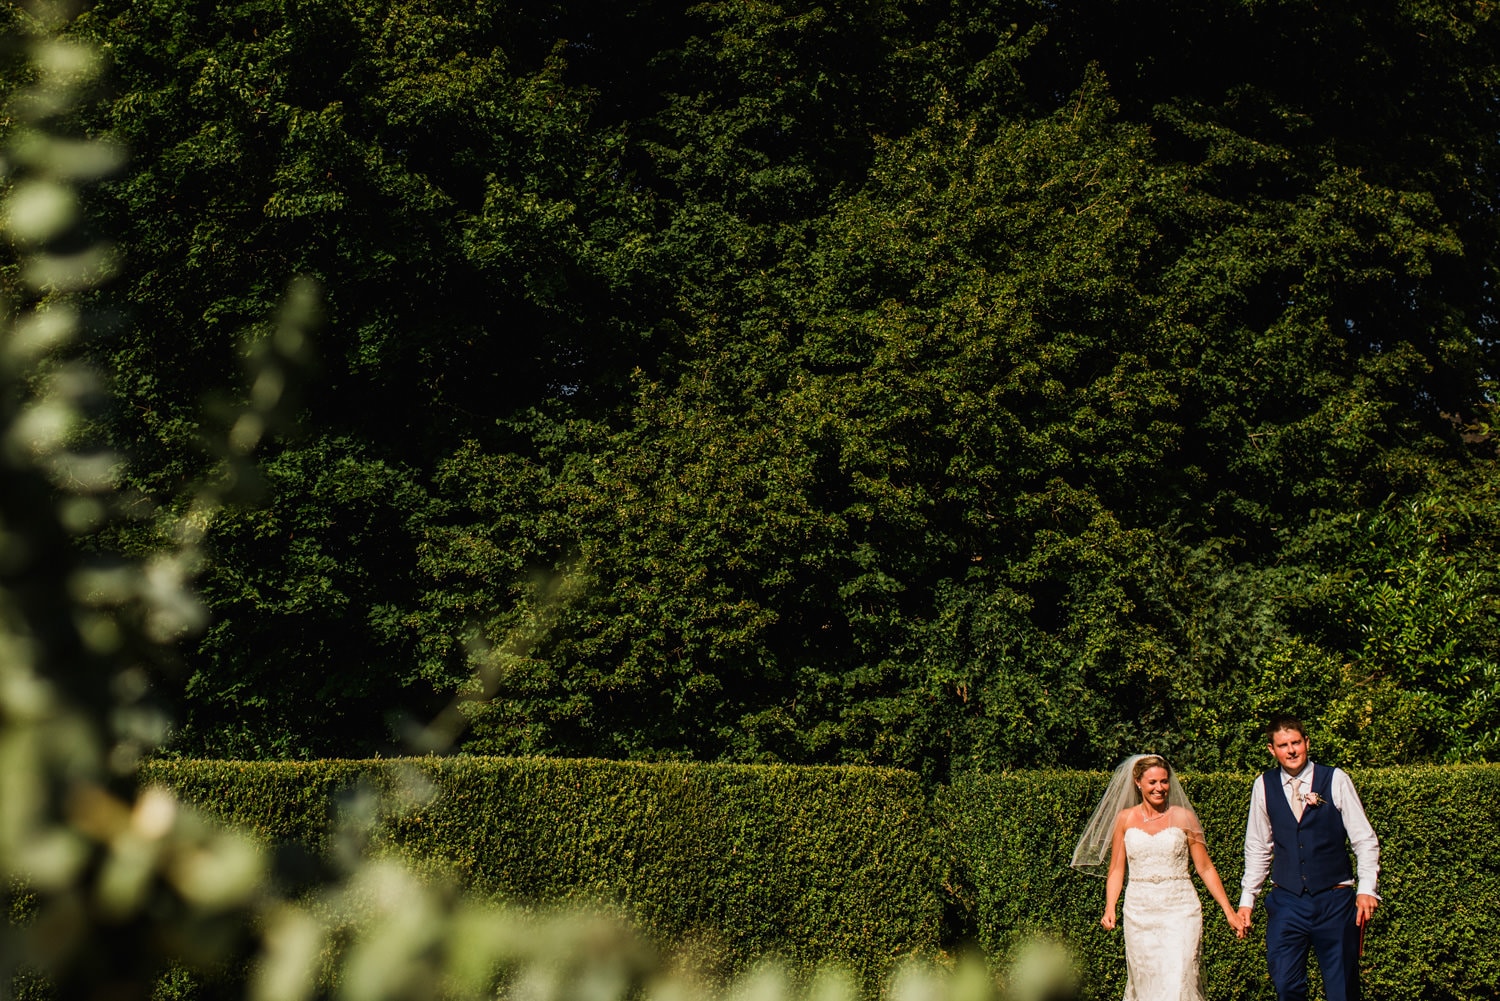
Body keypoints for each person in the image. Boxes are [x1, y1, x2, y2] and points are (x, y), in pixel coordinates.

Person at [1072, 754, 1246, 1000]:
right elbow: (1116, 869)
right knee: (1147, 981)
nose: (1159, 788)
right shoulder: (1125, 819)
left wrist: (1229, 911)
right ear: (1138, 782)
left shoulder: (1184, 817)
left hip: (1181, 909)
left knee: (1181, 975)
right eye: (1152, 782)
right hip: (1139, 911)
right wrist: (1110, 906)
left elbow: (1205, 867)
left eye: (1164, 782)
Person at [1238, 715, 1381, 1001]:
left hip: (1335, 900)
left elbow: (1364, 839)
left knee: (1343, 990)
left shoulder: (1335, 778)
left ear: (1307, 743)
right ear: (1271, 750)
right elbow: (1258, 846)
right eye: (1283, 745)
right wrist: (1247, 900)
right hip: (1287, 901)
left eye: (1296, 743)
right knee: (1286, 985)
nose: (1291, 750)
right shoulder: (1263, 785)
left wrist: (1367, 889)